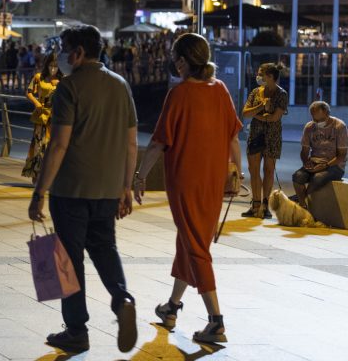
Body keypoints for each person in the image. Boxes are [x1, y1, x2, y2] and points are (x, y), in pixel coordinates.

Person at [28, 26, 139, 354]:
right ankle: (123, 299)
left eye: (64, 48)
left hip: (71, 189)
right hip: (107, 189)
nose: (61, 54)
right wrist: (126, 186)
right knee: (105, 248)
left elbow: (59, 145)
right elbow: (132, 142)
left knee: (69, 259)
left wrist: (39, 192)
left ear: (77, 53)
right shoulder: (121, 86)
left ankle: (76, 330)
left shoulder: (69, 87)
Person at [135, 33, 242, 344]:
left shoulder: (179, 95)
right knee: (191, 241)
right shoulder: (220, 89)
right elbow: (233, 137)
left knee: (196, 246)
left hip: (185, 182)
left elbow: (158, 143)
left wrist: (141, 176)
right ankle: (171, 307)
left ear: (182, 60)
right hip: (214, 180)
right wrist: (237, 172)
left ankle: (216, 320)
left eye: (174, 57)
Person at [241, 63, 288, 218]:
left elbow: (275, 117)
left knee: (268, 170)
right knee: (253, 170)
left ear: (270, 77)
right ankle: (255, 204)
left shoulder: (281, 94)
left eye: (261, 73)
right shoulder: (255, 92)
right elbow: (245, 113)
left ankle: (265, 205)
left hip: (272, 136)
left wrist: (257, 115)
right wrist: (261, 107)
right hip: (255, 134)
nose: (258, 76)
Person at [292, 101, 348, 206]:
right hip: (315, 162)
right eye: (314, 119)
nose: (317, 122)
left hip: (334, 165)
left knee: (317, 178)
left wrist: (325, 165)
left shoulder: (339, 127)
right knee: (297, 177)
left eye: (320, 119)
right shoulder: (309, 127)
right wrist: (306, 161)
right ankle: (303, 206)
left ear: (327, 113)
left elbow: (342, 155)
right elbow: (304, 151)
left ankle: (302, 203)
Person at [22, 52, 61, 183]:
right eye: (51, 65)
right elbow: (28, 92)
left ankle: (51, 176)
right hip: (41, 115)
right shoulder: (39, 77)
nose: (53, 69)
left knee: (53, 146)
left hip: (56, 117)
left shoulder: (63, 79)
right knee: (39, 145)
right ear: (47, 65)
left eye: (56, 66)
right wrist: (37, 103)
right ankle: (35, 173)